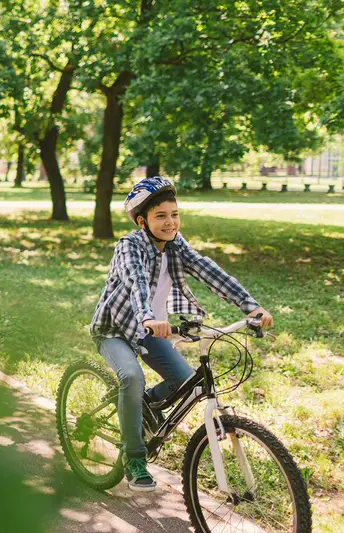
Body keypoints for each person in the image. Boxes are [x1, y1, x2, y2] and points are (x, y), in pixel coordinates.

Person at [89, 176, 273, 492]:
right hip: (116, 329)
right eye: (161, 216)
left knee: (186, 384)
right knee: (132, 377)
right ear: (141, 220)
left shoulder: (177, 245)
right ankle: (134, 458)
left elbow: (210, 271)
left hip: (149, 329)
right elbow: (137, 283)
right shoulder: (128, 247)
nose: (170, 222)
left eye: (174, 214)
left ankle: (140, 407)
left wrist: (250, 307)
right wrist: (148, 316)